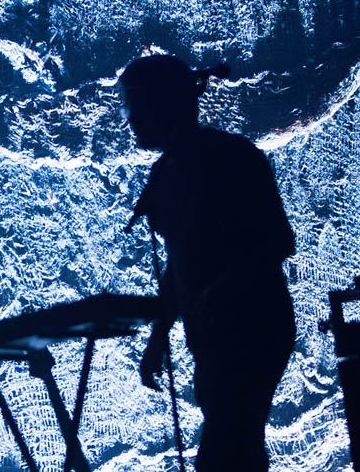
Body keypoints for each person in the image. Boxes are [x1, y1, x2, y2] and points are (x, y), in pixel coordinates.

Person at [121, 55, 296, 471]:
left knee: (226, 451)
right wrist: (158, 335)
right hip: (221, 337)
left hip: (252, 333)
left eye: (136, 105)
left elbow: (276, 242)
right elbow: (178, 263)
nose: (130, 119)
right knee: (237, 447)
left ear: (161, 105)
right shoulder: (171, 171)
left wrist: (218, 294)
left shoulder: (229, 159)